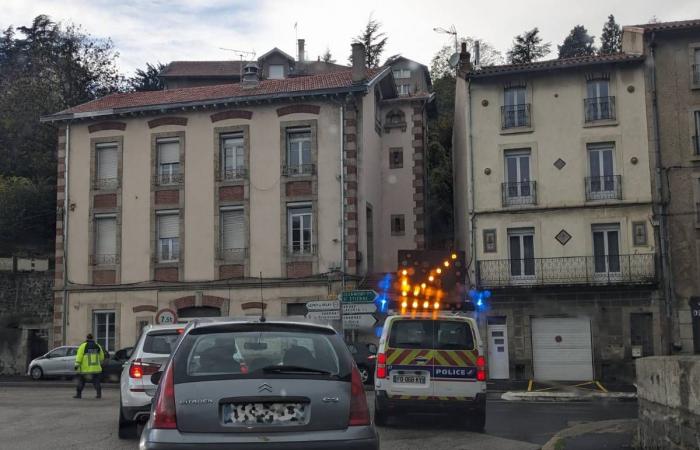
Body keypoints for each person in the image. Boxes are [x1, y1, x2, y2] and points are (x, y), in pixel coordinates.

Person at [73, 333, 105, 399]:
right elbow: (102, 357)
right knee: (96, 382)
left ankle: (78, 395)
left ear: (86, 338)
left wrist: (76, 365)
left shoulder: (83, 346)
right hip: (96, 369)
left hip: (85, 369)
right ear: (93, 338)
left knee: (81, 382)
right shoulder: (97, 345)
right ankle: (99, 394)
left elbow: (79, 356)